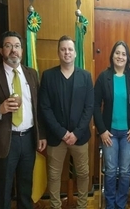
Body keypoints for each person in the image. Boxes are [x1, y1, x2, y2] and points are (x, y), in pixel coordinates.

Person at [0, 31, 47, 209]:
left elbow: (37, 108)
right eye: (8, 46)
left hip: (29, 139)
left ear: (22, 50)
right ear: (1, 50)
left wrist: (41, 135)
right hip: (6, 141)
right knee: (4, 190)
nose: (13, 50)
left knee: (25, 189)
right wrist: (0, 108)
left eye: (17, 46)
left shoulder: (32, 74)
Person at [38, 35, 94, 209]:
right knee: (54, 176)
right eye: (63, 49)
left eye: (70, 49)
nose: (67, 52)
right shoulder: (48, 76)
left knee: (83, 174)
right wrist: (62, 133)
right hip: (57, 138)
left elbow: (89, 107)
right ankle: (55, 206)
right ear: (58, 53)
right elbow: (44, 108)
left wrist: (76, 133)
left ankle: (82, 205)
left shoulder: (85, 76)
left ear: (76, 53)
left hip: (80, 136)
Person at [94, 40, 130, 209]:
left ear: (127, 57)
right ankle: (110, 204)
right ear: (112, 56)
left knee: (125, 171)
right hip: (110, 133)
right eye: (117, 53)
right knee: (111, 170)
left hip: (129, 133)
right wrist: (102, 131)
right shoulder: (104, 77)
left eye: (123, 53)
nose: (120, 56)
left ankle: (120, 204)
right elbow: (94, 105)